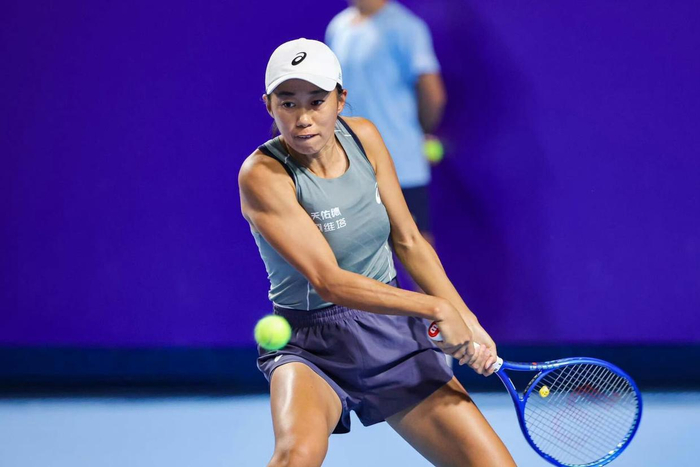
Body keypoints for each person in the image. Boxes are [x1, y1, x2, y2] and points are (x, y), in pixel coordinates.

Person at [239, 38, 515, 467]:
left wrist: (467, 319)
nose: (304, 118)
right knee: (296, 456)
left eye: (317, 101)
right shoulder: (262, 174)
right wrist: (436, 308)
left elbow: (408, 241)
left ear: (340, 99)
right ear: (269, 106)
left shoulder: (364, 137)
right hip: (311, 347)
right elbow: (329, 281)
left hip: (391, 334)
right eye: (288, 103)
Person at [326, 0, 445, 249]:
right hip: (350, 165)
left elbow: (433, 95)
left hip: (402, 166)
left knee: (415, 249)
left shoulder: (407, 27)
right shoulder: (337, 27)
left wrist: (418, 133)